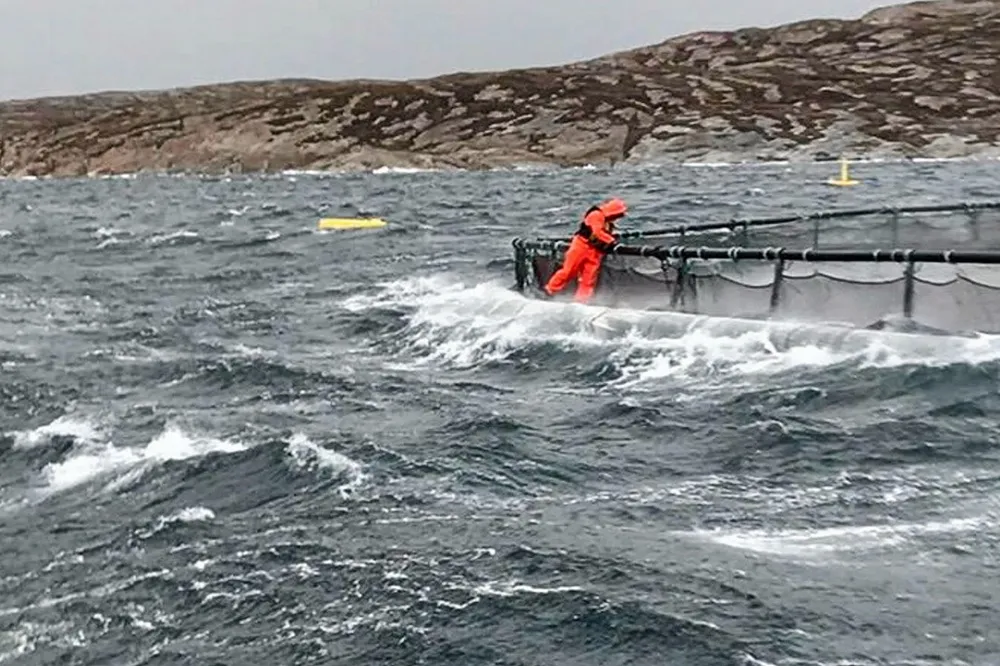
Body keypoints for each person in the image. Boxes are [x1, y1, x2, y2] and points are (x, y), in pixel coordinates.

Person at [543, 198, 627, 303]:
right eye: (617, 215)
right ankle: (549, 290)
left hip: (595, 252)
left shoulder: (608, 222)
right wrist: (612, 241)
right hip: (581, 246)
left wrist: (609, 242)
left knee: (589, 279)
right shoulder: (596, 215)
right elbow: (597, 232)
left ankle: (581, 301)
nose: (617, 218)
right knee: (568, 271)